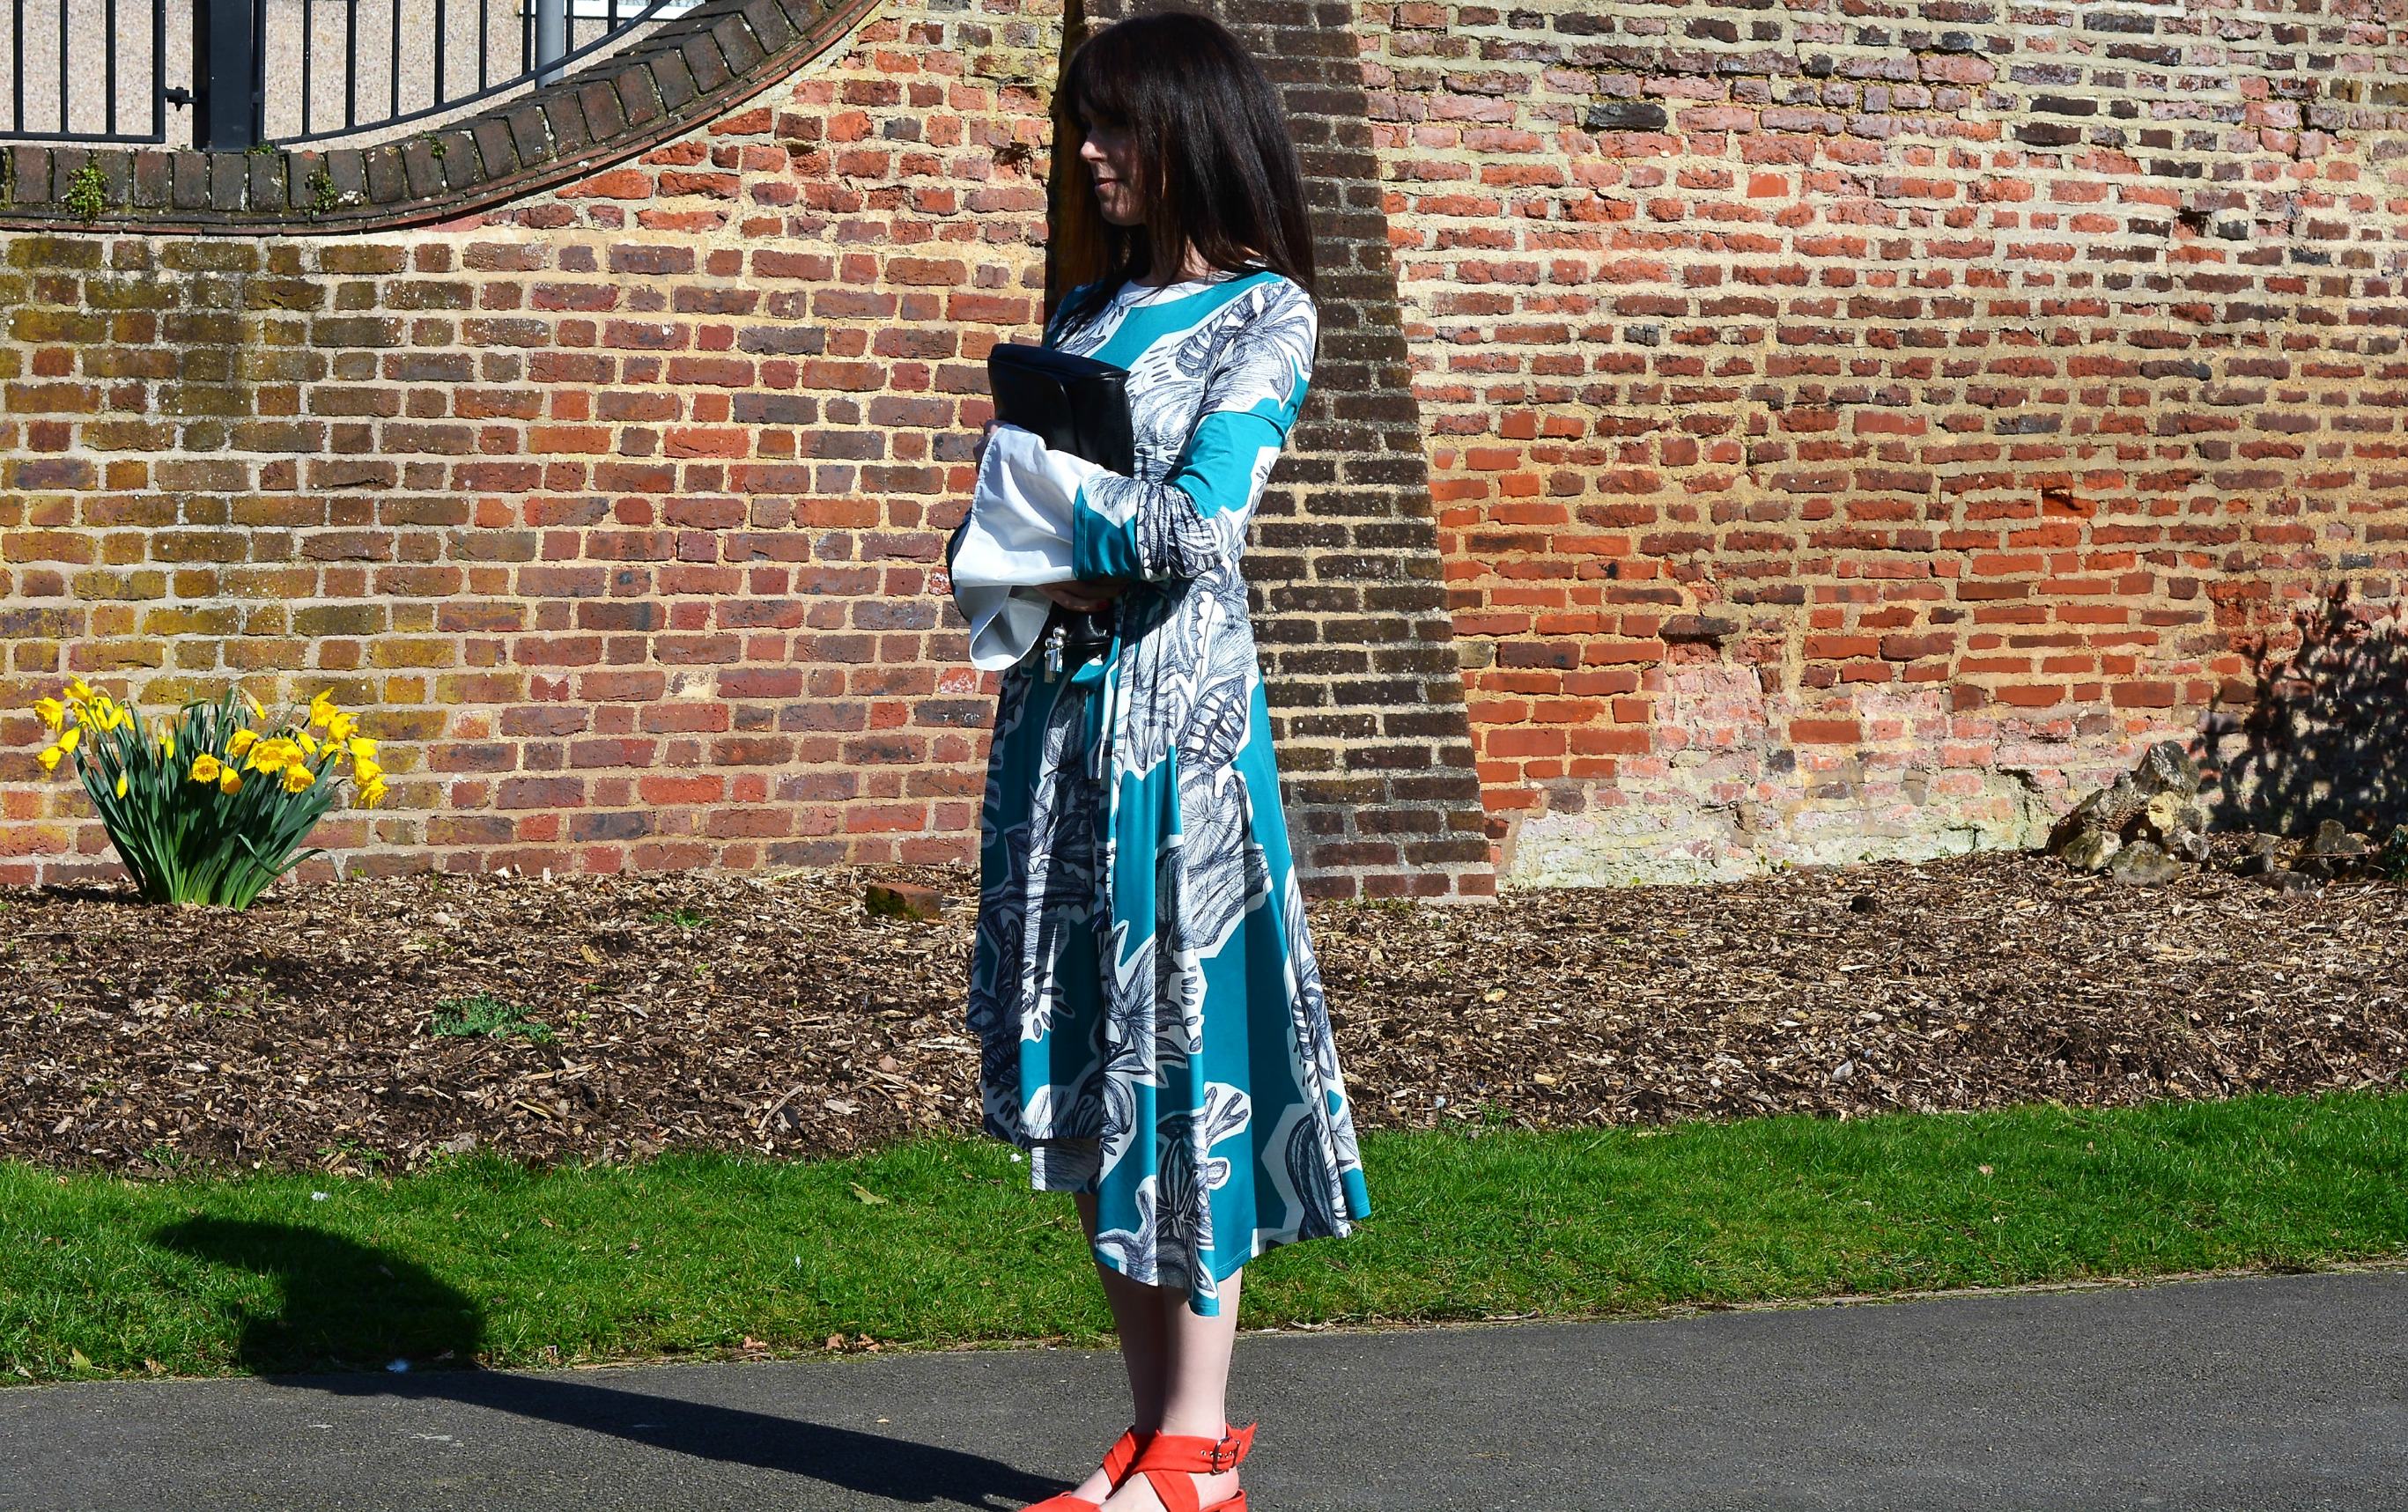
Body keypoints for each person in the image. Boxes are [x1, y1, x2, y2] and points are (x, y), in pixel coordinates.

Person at [957, 11, 1373, 1512]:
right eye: (1082, 122)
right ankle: (1144, 1436)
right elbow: (982, 537)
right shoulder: (1075, 318)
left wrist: (1046, 517)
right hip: (1059, 736)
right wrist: (1047, 530)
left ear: (1190, 130)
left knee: (1180, 1058)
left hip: (1173, 744)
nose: (1086, 150)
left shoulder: (1266, 316)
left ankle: (1198, 1446)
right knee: (1088, 1060)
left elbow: (1200, 522)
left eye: (1114, 125)